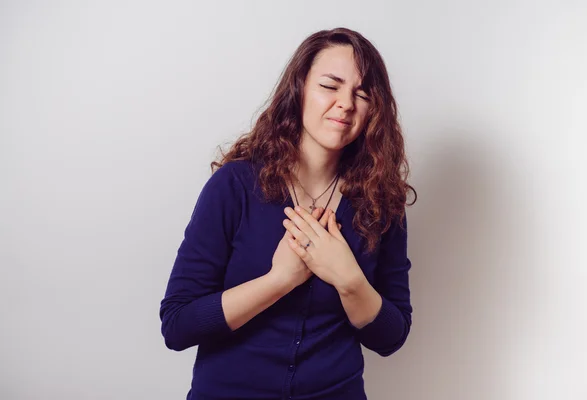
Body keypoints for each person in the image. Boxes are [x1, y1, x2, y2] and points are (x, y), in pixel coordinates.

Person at [159, 27, 416, 400]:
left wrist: (348, 279)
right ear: (299, 89)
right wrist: (280, 279)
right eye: (331, 85)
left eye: (362, 94)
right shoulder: (235, 186)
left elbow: (391, 337)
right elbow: (178, 326)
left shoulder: (380, 201)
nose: (346, 103)